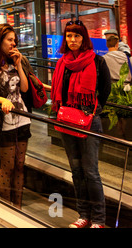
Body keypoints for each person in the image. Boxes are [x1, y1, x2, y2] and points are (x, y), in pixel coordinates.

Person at [51, 20, 111, 228]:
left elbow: (105, 89)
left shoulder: (96, 61)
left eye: (77, 36)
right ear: (65, 39)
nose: (73, 40)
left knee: (91, 171)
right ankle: (83, 215)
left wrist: (94, 109)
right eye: (69, 36)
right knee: (76, 171)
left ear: (84, 38)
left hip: (89, 122)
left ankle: (99, 219)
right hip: (67, 120)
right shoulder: (62, 63)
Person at [0, 23, 31, 208]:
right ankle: (7, 208)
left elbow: (24, 88)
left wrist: (18, 64)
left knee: (19, 165)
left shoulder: (15, 61)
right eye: (9, 40)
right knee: (7, 167)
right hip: (6, 122)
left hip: (22, 118)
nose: (13, 43)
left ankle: (17, 207)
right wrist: (2, 100)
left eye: (14, 40)